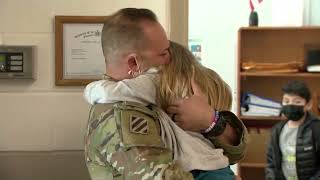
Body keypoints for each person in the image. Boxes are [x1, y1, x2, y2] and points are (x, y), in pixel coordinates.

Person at [84, 8, 246, 180]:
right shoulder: (122, 112)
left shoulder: (154, 96)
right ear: (133, 63)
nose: (170, 58)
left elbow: (234, 153)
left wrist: (210, 121)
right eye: (163, 54)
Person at [266, 80, 320, 180]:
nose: (290, 105)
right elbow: (271, 164)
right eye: (286, 101)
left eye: (297, 102)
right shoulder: (277, 130)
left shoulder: (316, 128)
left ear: (308, 104)